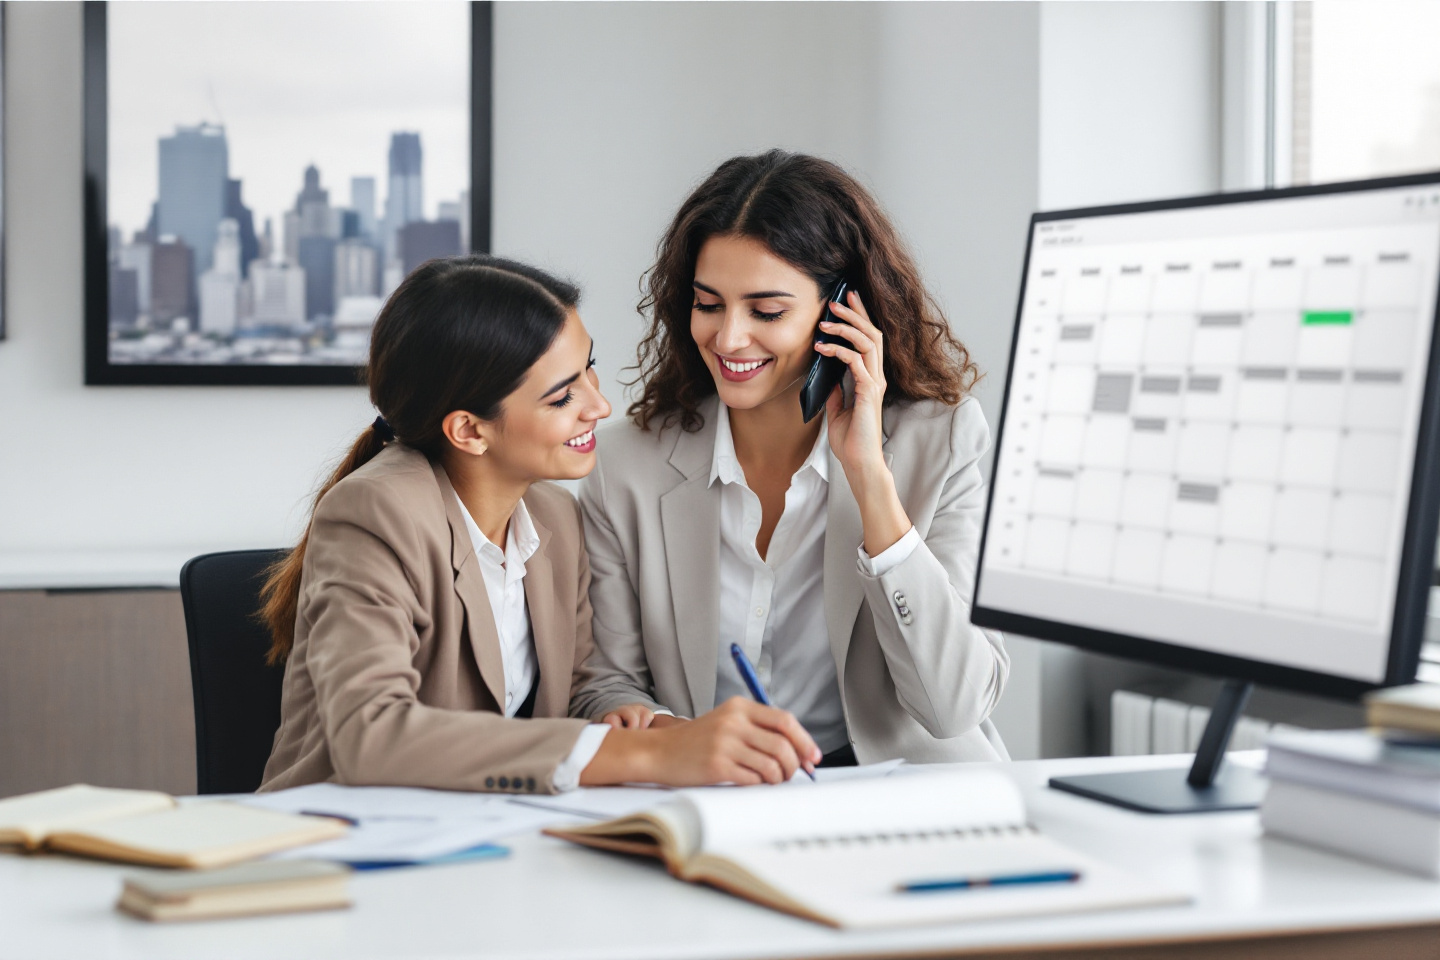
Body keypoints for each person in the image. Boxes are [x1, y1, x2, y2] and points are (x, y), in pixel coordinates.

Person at [259, 255, 820, 795]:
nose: (599, 406)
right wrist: (651, 757)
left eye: (589, 368)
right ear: (470, 431)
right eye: (562, 396)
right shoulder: (373, 513)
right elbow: (371, 735)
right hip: (342, 848)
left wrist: (656, 726)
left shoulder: (554, 516)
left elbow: (576, 692)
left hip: (488, 840)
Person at [574, 151, 1009, 765]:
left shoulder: (941, 442)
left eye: (767, 312)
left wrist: (870, 480)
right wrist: (692, 743)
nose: (728, 339)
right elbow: (605, 686)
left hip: (902, 800)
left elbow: (954, 707)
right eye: (708, 304)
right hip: (715, 791)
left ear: (842, 314)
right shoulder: (625, 465)